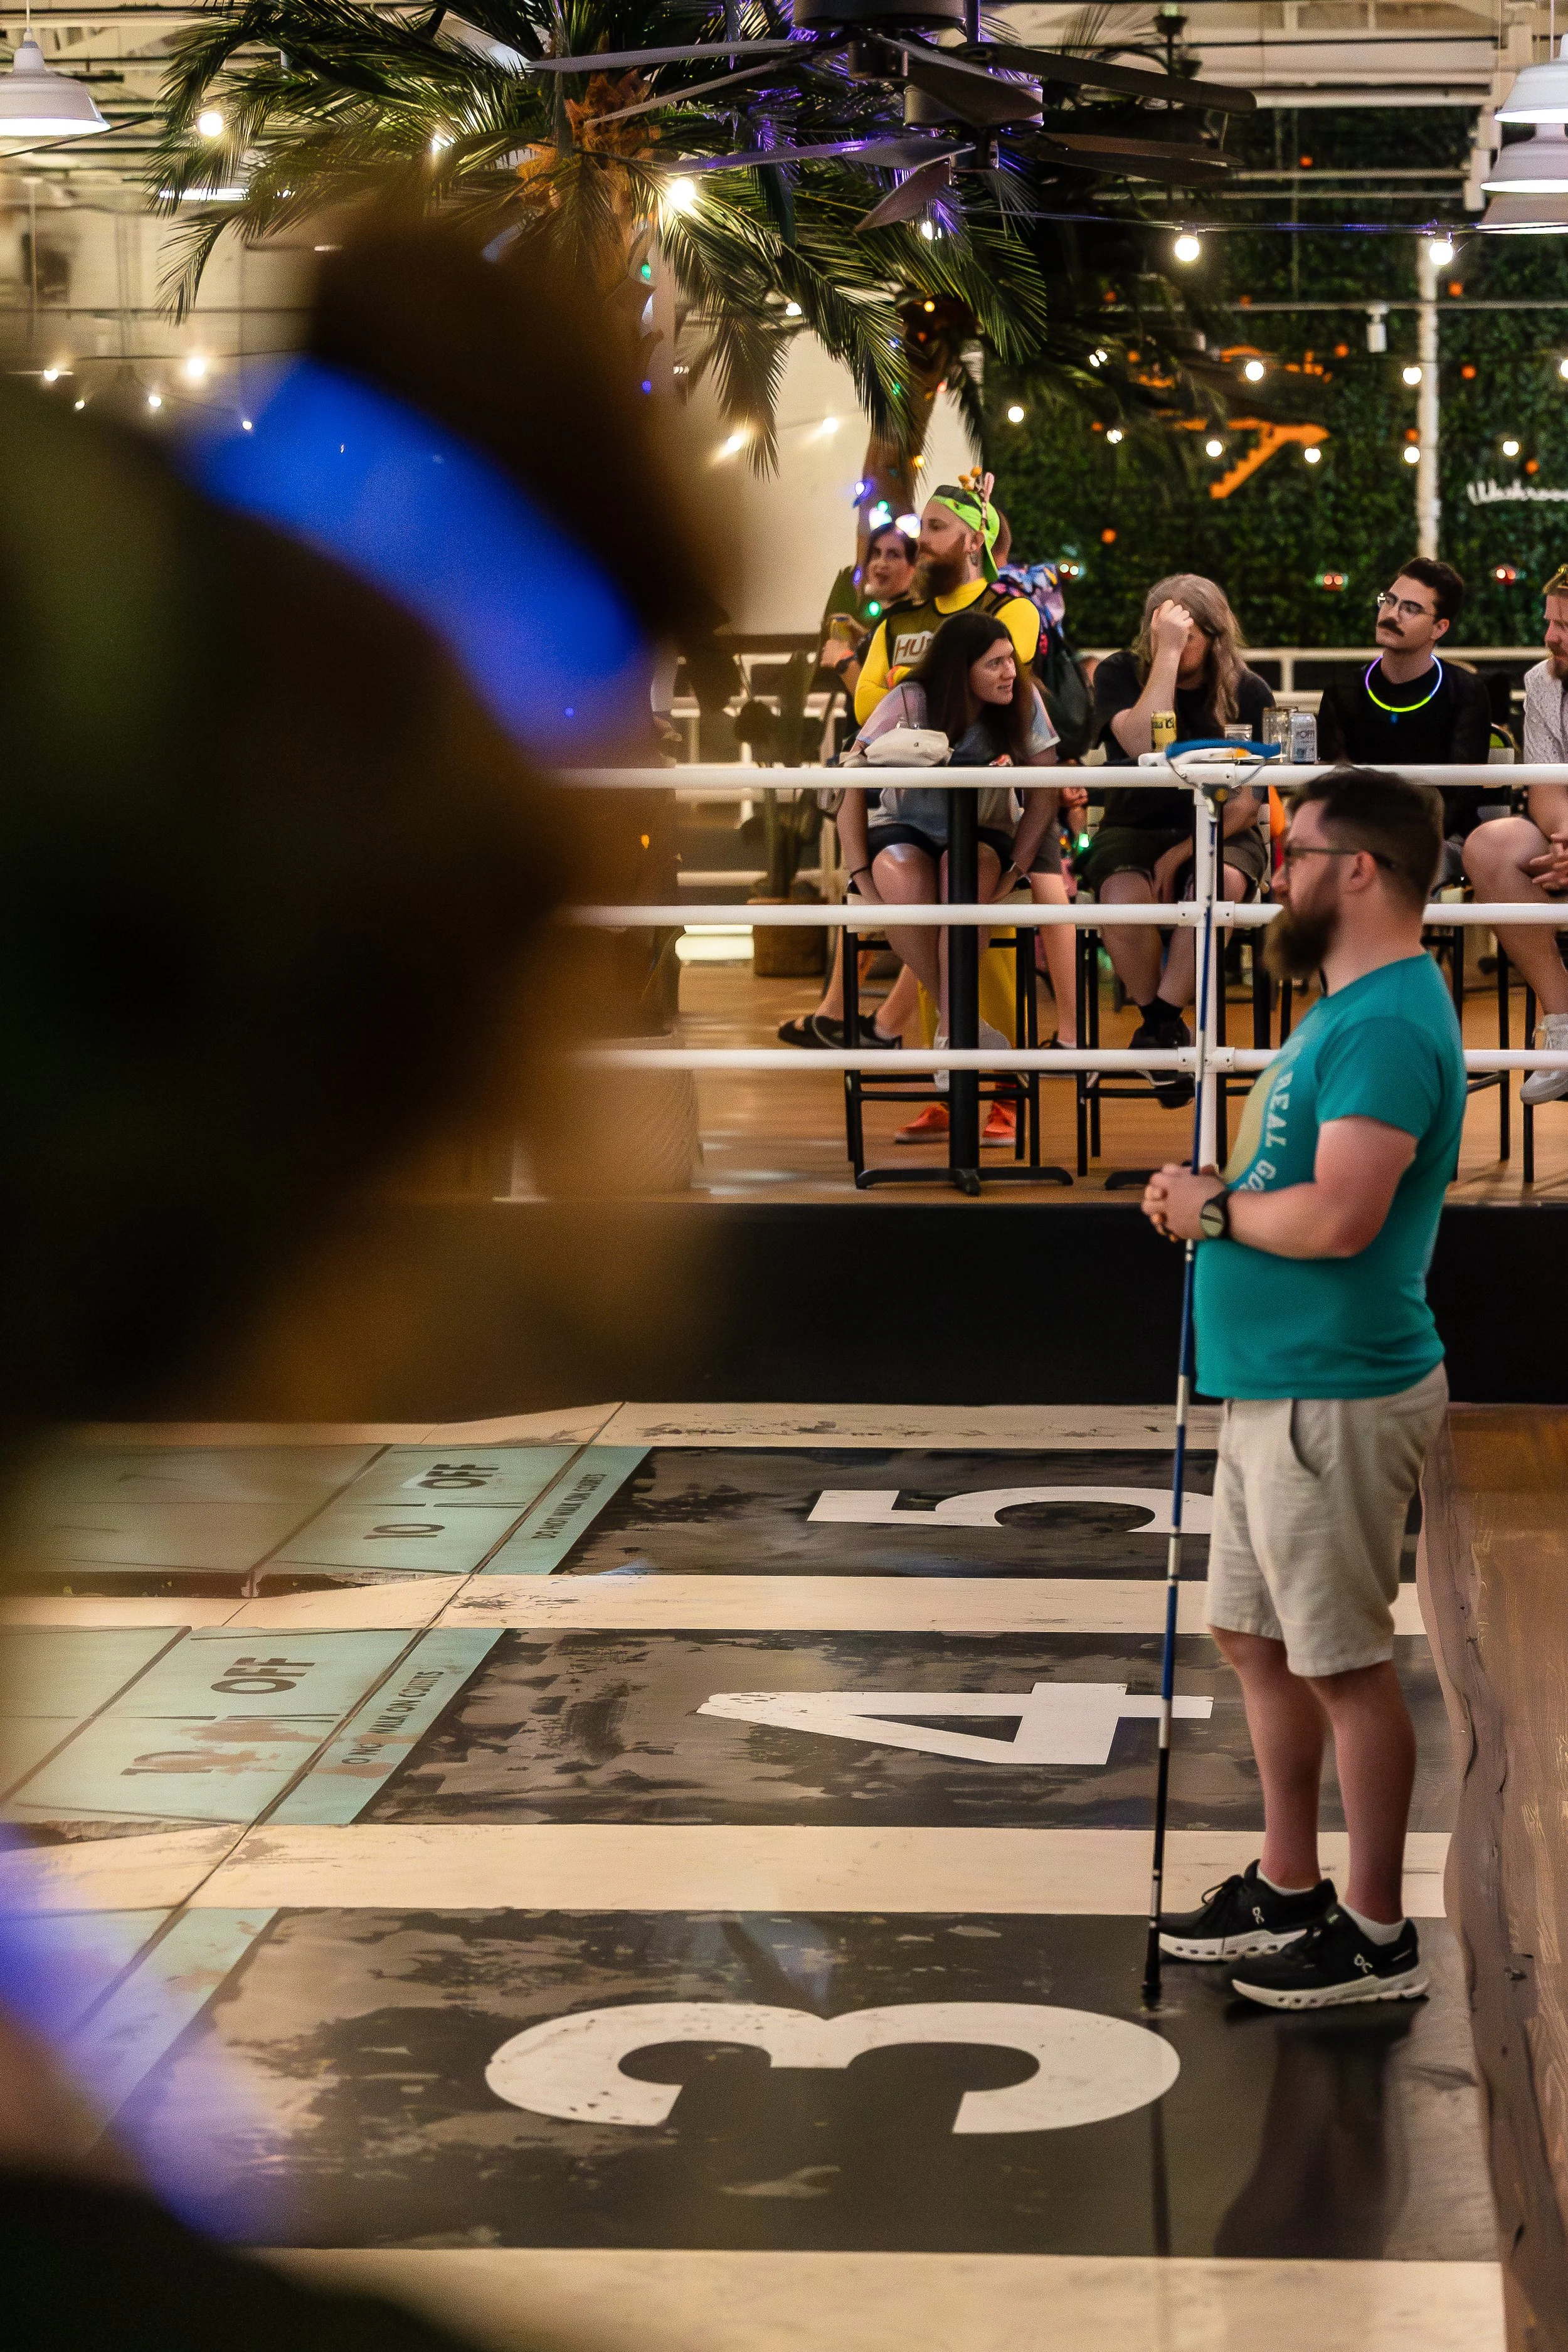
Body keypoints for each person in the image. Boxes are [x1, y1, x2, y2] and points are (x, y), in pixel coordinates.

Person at [1142, 767, 1466, 2010]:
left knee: (1341, 1665)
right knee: (1254, 1637)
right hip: (1275, 1385)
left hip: (1334, 1390)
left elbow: (1337, 1218)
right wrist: (1206, 1203)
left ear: (1360, 871)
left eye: (1296, 849)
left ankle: (1375, 1932)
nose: (1274, 870)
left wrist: (1207, 1208)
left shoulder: (1385, 1023)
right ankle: (1288, 1885)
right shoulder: (1348, 1011)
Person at [838, 609, 1057, 1133]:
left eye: (1011, 660)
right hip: (903, 824)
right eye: (996, 663)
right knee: (901, 872)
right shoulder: (910, 700)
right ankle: (961, 1027)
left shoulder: (1024, 701)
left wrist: (1018, 867)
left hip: (981, 828)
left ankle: (950, 1034)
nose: (1010, 672)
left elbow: (1046, 790)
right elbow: (850, 779)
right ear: (961, 670)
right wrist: (861, 873)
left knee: (969, 868)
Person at [1084, 575, 1274, 1106]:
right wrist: (1165, 657)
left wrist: (1189, 849)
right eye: (1160, 631)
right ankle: (1163, 1026)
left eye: (1185, 634)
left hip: (1223, 827)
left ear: (1214, 636)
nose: (1169, 642)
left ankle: (1157, 1026)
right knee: (1121, 895)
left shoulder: (1248, 691)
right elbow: (1142, 743)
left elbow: (1249, 799)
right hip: (1134, 826)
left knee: (1217, 882)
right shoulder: (1124, 673)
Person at [1316, 558, 1491, 884]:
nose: (1392, 615)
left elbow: (1463, 793)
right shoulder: (1344, 690)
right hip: (1355, 838)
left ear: (1440, 628)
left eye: (1411, 608)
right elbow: (1334, 782)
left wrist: (1398, 837)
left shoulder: (1465, 692)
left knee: (1388, 868)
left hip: (1440, 839)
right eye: (1390, 601)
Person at [1464, 564, 1568, 1104]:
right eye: (1550, 621)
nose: (1552, 637)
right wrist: (1566, 840)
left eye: (1567, 626)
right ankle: (1564, 1020)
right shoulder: (1542, 680)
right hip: (1566, 840)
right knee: (1493, 843)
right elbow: (1547, 790)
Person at [852, 475, 1042, 725]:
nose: (921, 540)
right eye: (922, 528)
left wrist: (898, 680)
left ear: (974, 541)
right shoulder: (895, 624)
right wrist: (934, 686)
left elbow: (976, 690)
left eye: (936, 527)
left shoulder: (1013, 611)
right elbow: (864, 708)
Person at [817, 521, 918, 707]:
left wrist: (843, 660)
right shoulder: (889, 617)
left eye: (893, 555)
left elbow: (889, 707)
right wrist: (863, 634)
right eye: (876, 554)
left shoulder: (911, 622)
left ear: (913, 569)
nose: (881, 563)